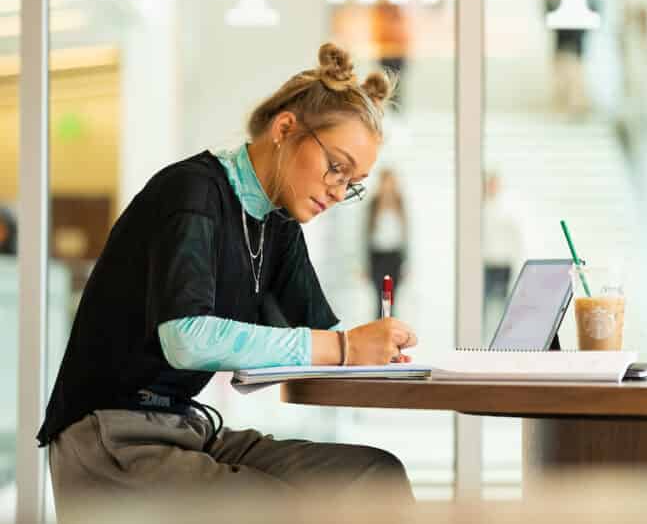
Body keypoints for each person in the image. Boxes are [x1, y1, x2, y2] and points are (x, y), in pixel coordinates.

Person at [37, 43, 418, 516]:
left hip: (185, 430)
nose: (339, 192)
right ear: (285, 129)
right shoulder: (191, 193)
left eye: (352, 182)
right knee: (286, 510)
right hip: (111, 439)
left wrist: (376, 349)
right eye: (336, 168)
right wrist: (342, 348)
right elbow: (186, 337)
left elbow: (325, 335)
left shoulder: (276, 223)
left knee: (372, 478)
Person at [482, 172, 524, 340]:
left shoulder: (507, 209)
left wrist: (515, 261)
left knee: (500, 306)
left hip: (502, 264)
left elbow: (515, 239)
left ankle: (500, 339)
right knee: (483, 307)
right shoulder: (481, 209)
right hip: (486, 264)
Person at [365, 168, 409, 312]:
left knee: (391, 298)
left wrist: (407, 262)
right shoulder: (373, 204)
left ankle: (390, 328)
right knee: (380, 297)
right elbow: (363, 236)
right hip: (377, 256)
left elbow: (407, 237)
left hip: (395, 256)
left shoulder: (401, 204)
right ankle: (379, 328)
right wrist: (364, 264)